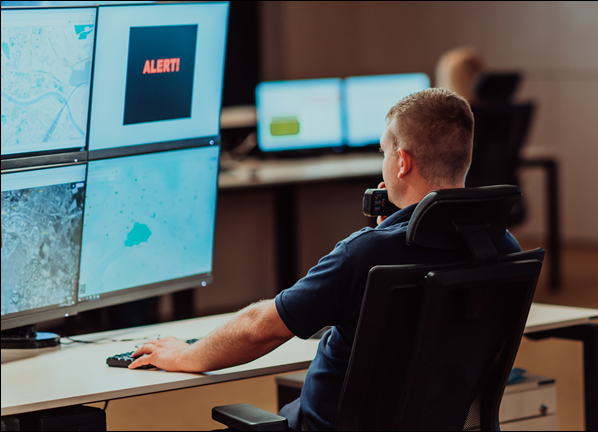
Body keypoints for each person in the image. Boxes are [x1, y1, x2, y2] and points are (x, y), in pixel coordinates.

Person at [128, 88, 522, 430]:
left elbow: (258, 329)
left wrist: (185, 354)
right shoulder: (503, 247)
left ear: (402, 162)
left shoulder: (366, 254)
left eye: (384, 152)